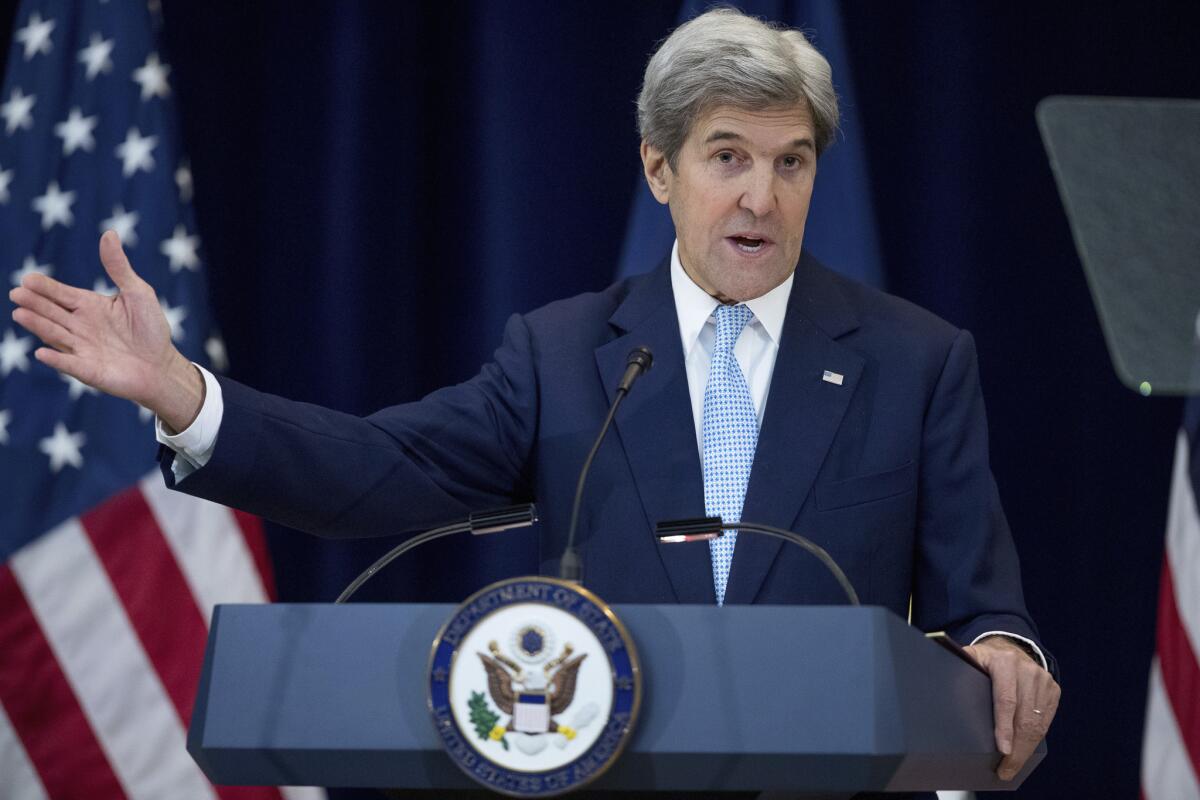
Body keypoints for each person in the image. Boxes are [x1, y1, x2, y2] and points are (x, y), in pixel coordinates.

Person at [10, 7, 1058, 786]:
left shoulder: (916, 359)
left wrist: (1005, 647)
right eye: (727, 157)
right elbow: (383, 469)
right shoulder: (562, 353)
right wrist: (187, 394)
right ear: (661, 169)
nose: (761, 196)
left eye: (791, 162)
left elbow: (981, 598)